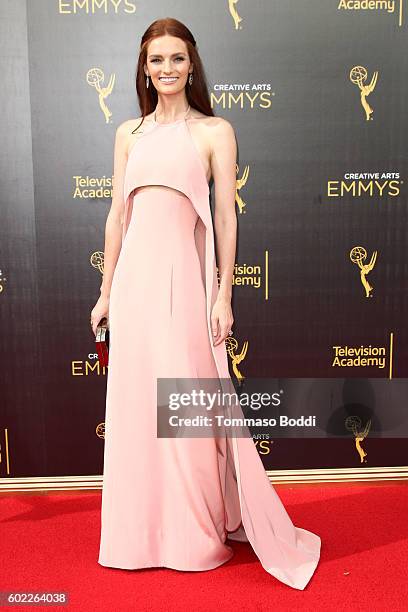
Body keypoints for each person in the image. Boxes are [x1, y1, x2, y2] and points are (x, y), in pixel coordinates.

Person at [91, 17, 321, 590]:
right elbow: (117, 216)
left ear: (192, 64)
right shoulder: (129, 134)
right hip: (134, 288)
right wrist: (104, 293)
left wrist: (223, 294)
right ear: (143, 68)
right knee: (136, 413)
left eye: (176, 59)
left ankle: (194, 539)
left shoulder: (215, 130)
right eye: (155, 60)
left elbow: (224, 216)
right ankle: (134, 538)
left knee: (185, 409)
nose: (165, 69)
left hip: (183, 287)